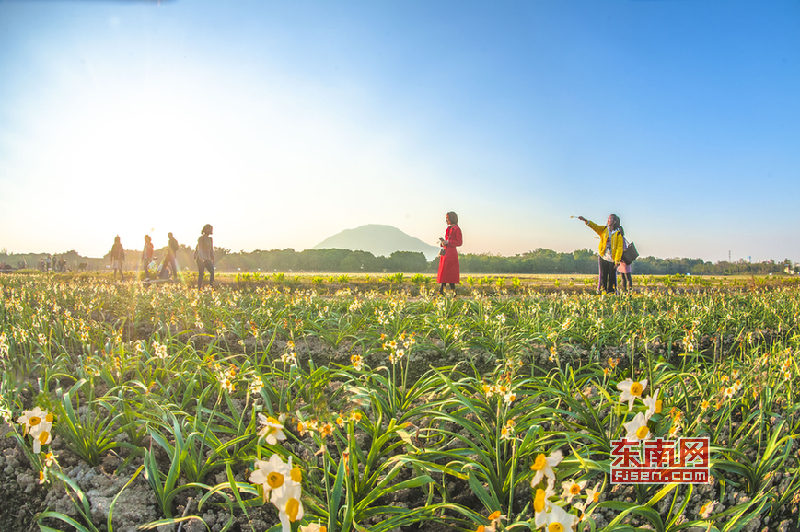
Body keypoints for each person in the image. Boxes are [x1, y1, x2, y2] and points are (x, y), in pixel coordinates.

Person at [578, 214, 623, 294]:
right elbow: (595, 227)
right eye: (608, 218)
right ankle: (602, 292)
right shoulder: (604, 229)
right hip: (603, 257)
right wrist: (585, 220)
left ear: (614, 221)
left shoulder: (618, 234)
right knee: (603, 276)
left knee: (612, 277)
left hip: (612, 259)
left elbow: (619, 248)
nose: (608, 220)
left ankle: (612, 293)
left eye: (610, 219)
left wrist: (617, 260)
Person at [437, 211, 462, 295]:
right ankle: (450, 292)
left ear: (452, 219)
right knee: (445, 273)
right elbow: (446, 241)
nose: (446, 220)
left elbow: (459, 242)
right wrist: (443, 243)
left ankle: (443, 291)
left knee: (449, 273)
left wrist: (449, 242)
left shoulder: (457, 229)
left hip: (451, 254)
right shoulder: (448, 229)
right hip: (445, 253)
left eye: (447, 218)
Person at [194, 224, 215, 289]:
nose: (211, 230)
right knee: (201, 273)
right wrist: (201, 257)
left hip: (207, 258)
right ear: (206, 230)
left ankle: (211, 287)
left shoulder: (210, 239)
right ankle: (199, 288)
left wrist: (212, 257)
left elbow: (211, 248)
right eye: (209, 229)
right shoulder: (201, 238)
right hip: (201, 259)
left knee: (212, 271)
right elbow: (199, 248)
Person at [617, 227, 633, 292]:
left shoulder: (620, 239)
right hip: (623, 260)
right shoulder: (622, 238)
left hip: (624, 259)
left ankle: (628, 290)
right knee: (624, 277)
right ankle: (625, 290)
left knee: (626, 277)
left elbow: (622, 249)